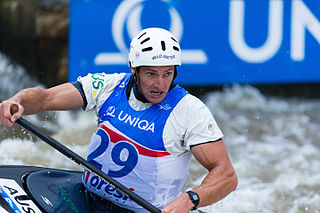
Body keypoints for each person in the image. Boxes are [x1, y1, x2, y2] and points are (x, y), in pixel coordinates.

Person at [0, 27, 237, 212]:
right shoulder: (108, 86)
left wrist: (189, 200)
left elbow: (226, 174)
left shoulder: (190, 112)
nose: (160, 84)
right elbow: (45, 99)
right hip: (86, 198)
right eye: (151, 74)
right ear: (134, 69)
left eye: (168, 74)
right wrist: (17, 101)